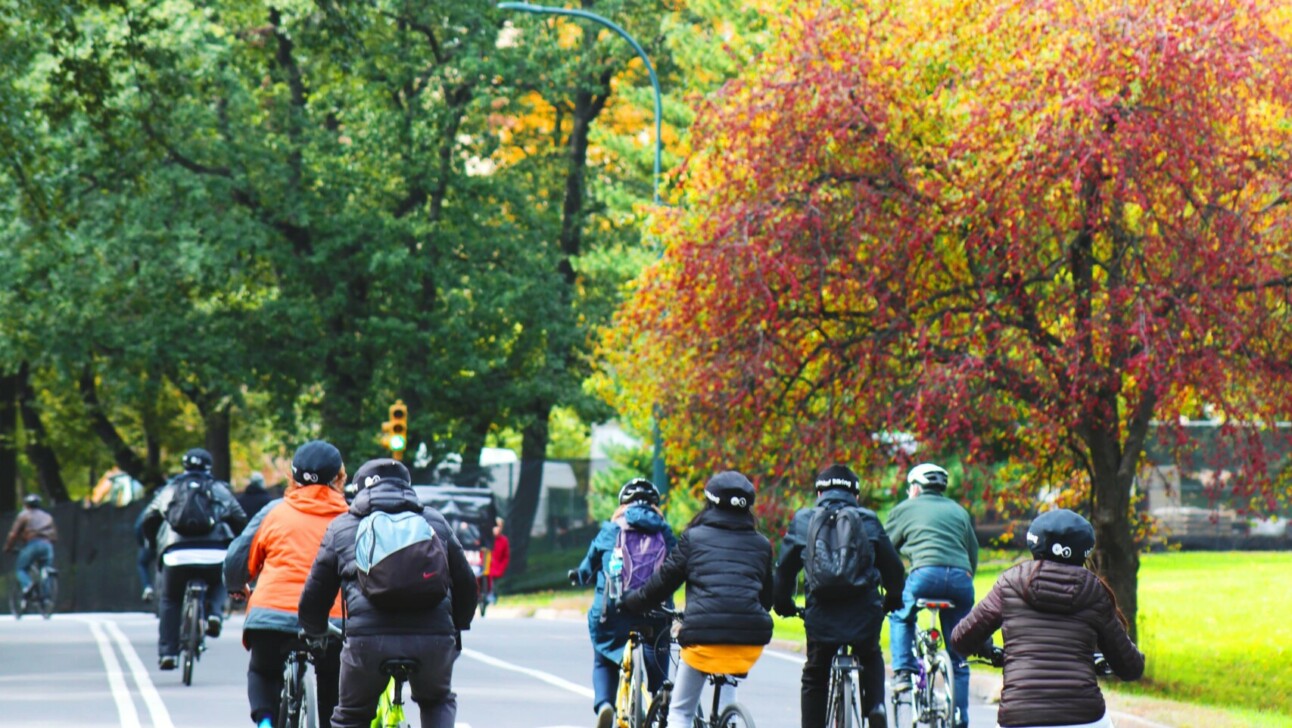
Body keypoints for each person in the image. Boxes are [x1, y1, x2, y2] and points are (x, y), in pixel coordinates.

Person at [298, 458, 477, 728]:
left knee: (351, 716)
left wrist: (315, 632)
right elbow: (465, 583)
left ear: (358, 490)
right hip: (433, 640)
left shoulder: (342, 527)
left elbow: (316, 594)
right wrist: (458, 626)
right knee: (436, 700)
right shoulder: (435, 522)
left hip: (367, 644)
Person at [950, 509, 1145, 728]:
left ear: (1034, 543)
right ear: (1084, 551)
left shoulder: (1010, 582)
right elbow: (1131, 668)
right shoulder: (1094, 591)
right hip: (1083, 718)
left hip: (1019, 718)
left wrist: (985, 647)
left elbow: (961, 639)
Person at [621, 471, 774, 728]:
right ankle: (731, 719)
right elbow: (767, 598)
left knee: (680, 712)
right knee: (727, 678)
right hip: (749, 641)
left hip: (703, 638)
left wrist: (631, 602)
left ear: (710, 503)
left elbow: (661, 584)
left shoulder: (694, 538)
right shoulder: (761, 544)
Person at [225, 441, 350, 728]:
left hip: (271, 613)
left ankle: (265, 722)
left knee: (263, 671)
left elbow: (237, 558)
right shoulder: (350, 517)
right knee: (335, 676)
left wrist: (237, 586)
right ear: (340, 477)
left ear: (292, 477)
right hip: (330, 618)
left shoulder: (274, 512)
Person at [774, 464, 905, 728]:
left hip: (821, 617)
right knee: (870, 655)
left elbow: (784, 571)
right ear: (855, 495)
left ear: (819, 493)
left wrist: (784, 604)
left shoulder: (804, 520)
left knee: (815, 673)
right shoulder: (868, 519)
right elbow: (894, 569)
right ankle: (876, 706)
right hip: (863, 615)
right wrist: (892, 599)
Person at [572, 478, 677, 728]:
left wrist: (579, 575)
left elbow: (587, 568)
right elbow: (678, 567)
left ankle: (605, 704)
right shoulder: (664, 532)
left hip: (614, 609)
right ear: (655, 505)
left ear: (622, 504)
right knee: (658, 641)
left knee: (603, 657)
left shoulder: (611, 529)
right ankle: (659, 695)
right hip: (655, 609)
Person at [885, 462, 978, 728]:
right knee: (958, 654)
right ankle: (959, 718)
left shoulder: (904, 509)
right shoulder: (959, 511)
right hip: (961, 580)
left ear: (915, 488)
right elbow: (972, 553)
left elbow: (885, 548)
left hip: (924, 577)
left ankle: (903, 671)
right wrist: (967, 575)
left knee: (901, 615)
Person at [139, 447, 248, 669]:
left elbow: (149, 517)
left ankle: (168, 653)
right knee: (220, 581)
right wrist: (236, 544)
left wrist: (152, 543)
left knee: (171, 600)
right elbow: (239, 518)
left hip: (175, 553)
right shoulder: (218, 489)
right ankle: (215, 614)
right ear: (209, 466)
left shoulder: (171, 489)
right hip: (214, 551)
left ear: (184, 465)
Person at [5, 494, 58, 604]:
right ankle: (46, 598)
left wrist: (8, 547)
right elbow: (54, 536)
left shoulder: (24, 515)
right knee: (45, 568)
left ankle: (28, 586)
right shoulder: (47, 516)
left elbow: (13, 534)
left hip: (32, 544)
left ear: (26, 505)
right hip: (47, 545)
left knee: (21, 568)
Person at [485, 517, 510, 605]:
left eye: (499, 527)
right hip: (484, 568)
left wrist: (501, 568)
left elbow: (505, 557)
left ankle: (491, 596)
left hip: (496, 569)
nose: (497, 529)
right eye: (495, 526)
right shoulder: (485, 539)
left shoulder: (504, 540)